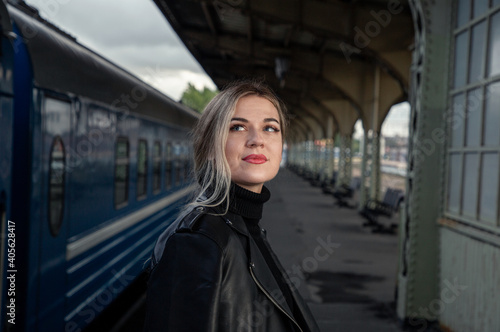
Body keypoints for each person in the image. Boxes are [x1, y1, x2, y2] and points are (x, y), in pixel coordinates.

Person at [144, 80, 320, 332]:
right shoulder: (196, 243)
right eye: (237, 127)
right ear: (210, 147)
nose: (257, 140)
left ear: (282, 145)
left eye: (270, 128)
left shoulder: (246, 229)